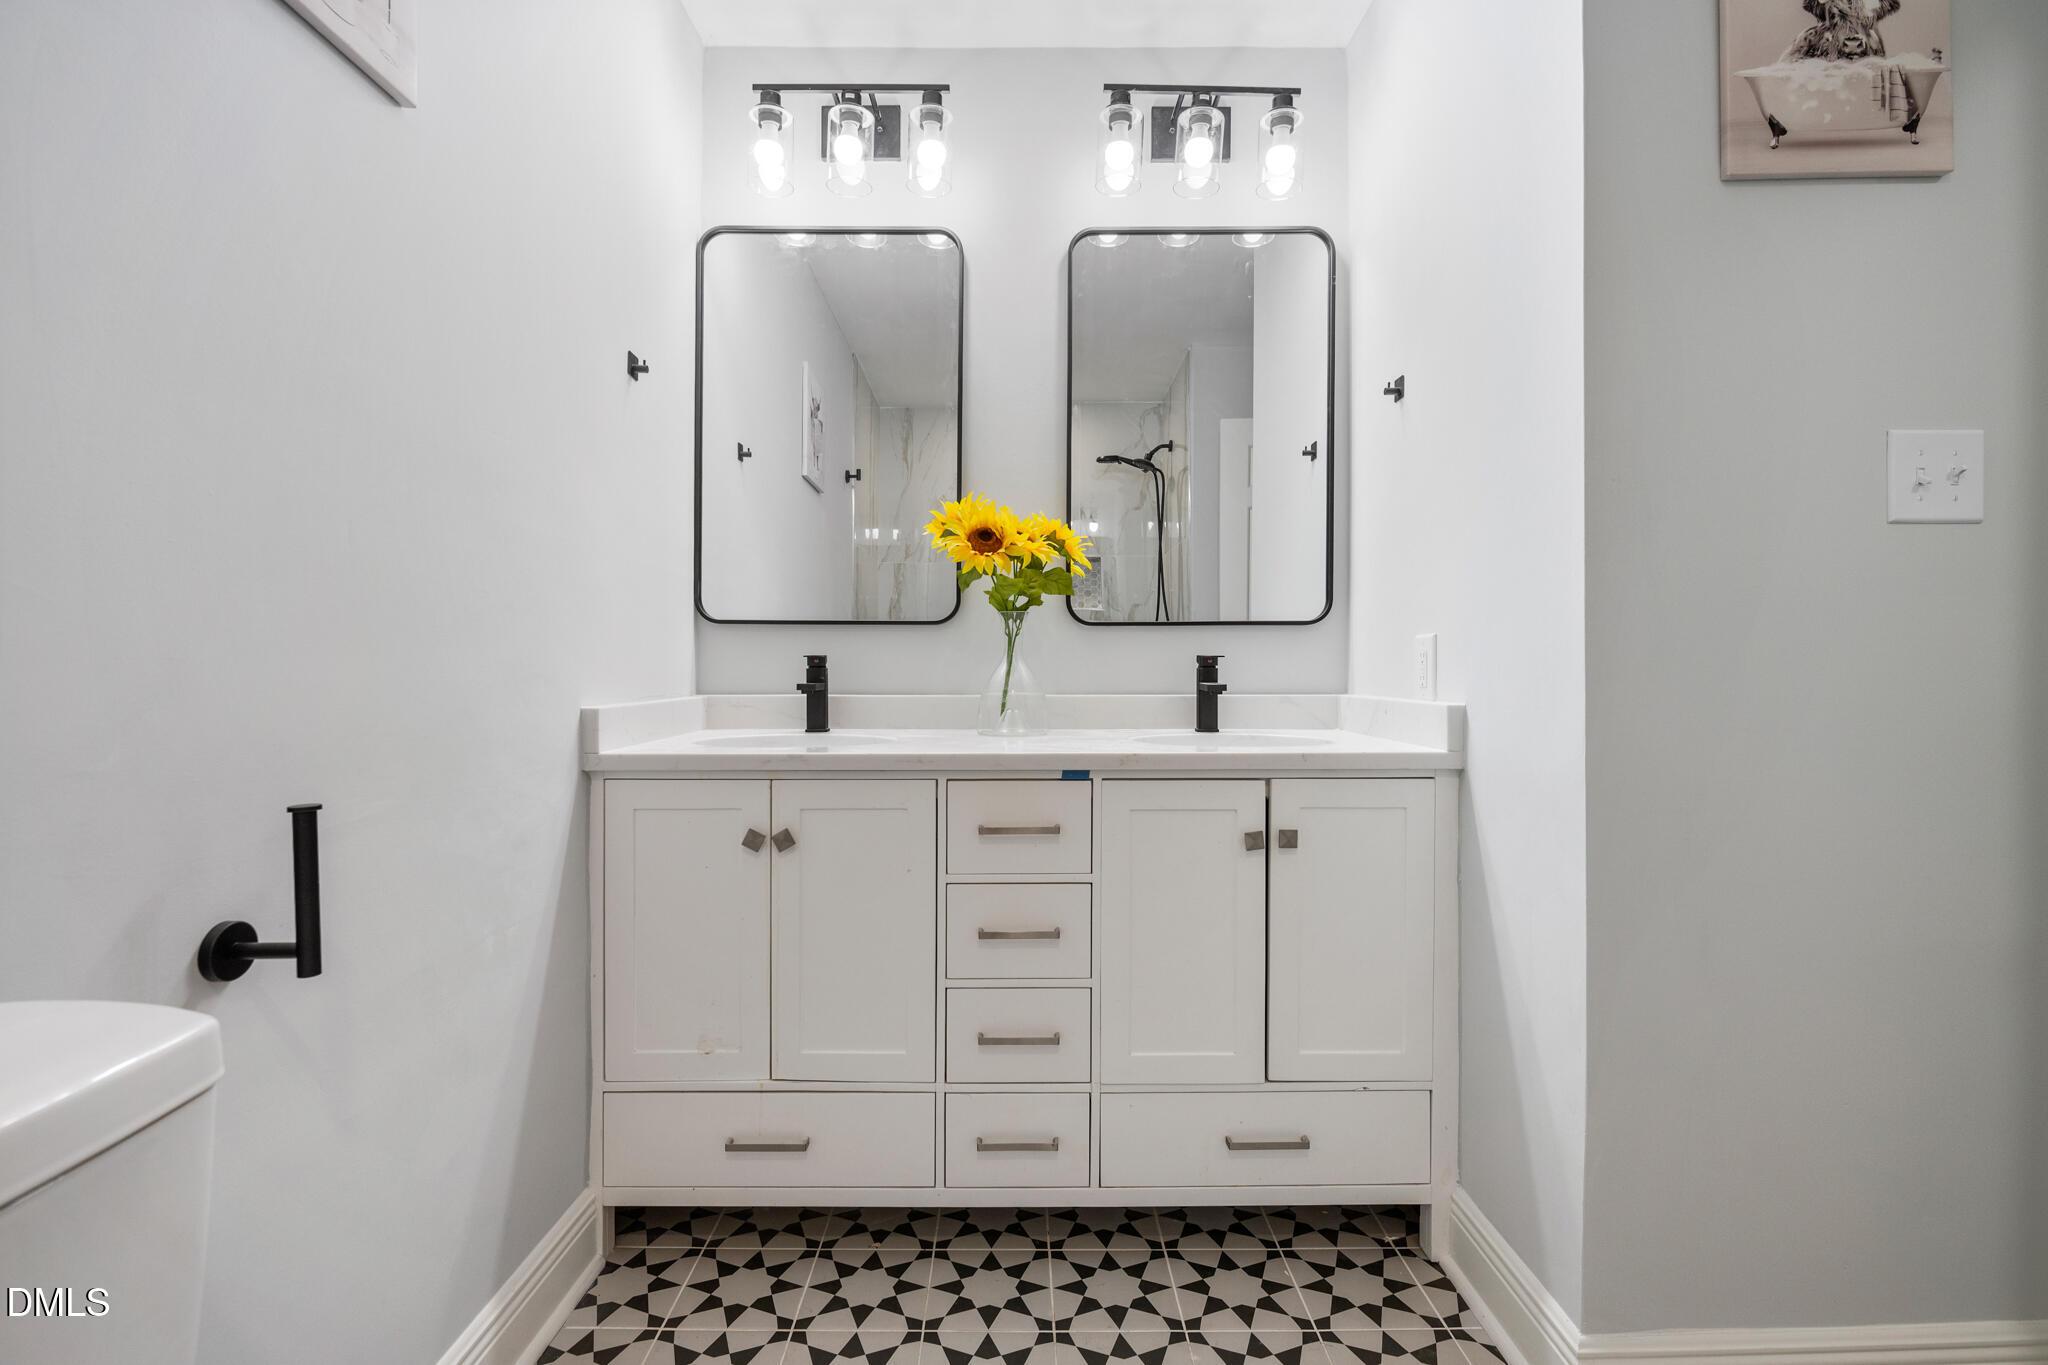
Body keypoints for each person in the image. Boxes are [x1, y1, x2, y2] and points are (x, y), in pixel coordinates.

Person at [1781, 0, 1903, 61]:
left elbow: (1890, 3)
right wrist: (1832, 14)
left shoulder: (1874, 41)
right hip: (1832, 41)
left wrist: (1866, 17)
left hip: (1865, 37)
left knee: (1874, 42)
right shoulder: (1808, 40)